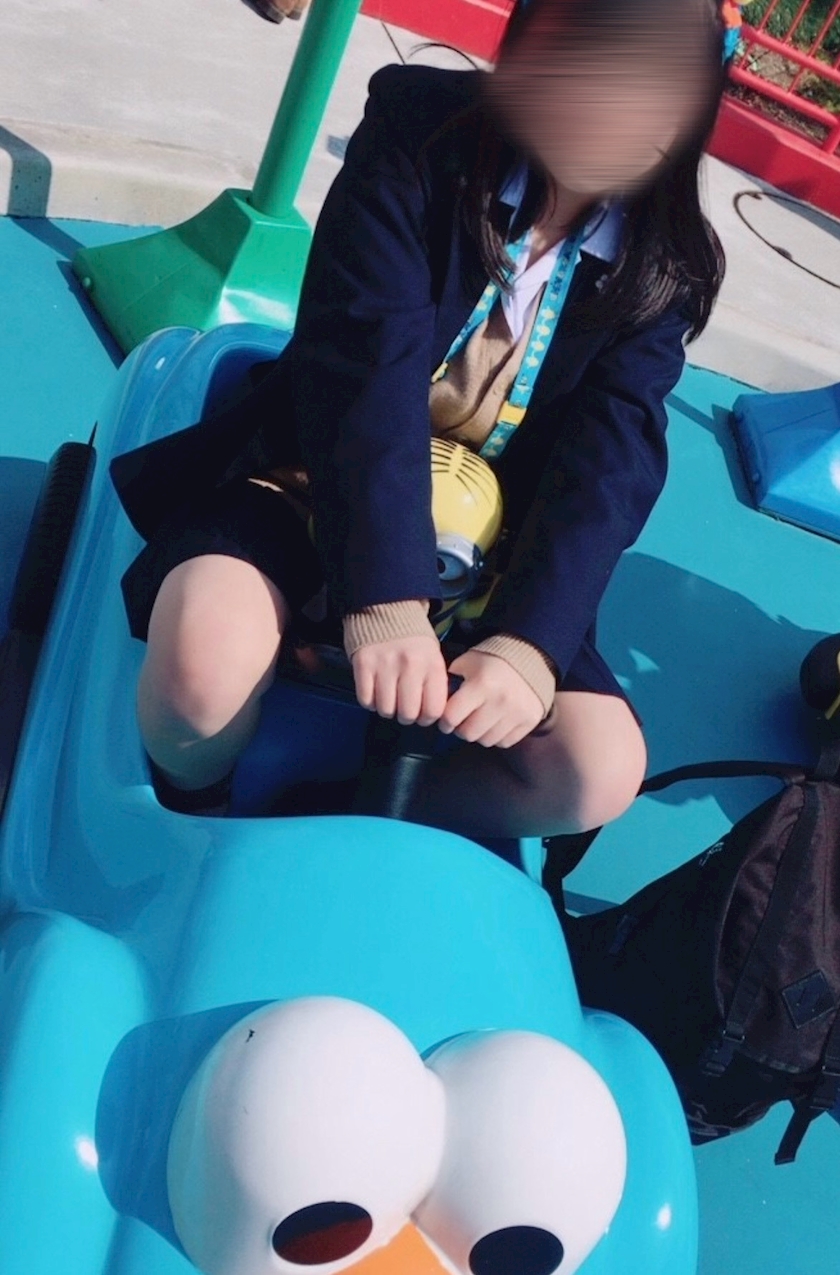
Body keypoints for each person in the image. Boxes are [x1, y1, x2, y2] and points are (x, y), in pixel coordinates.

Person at [111, 0, 730, 837]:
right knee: (200, 670)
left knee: (598, 769)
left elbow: (610, 465)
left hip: (489, 548)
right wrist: (386, 593)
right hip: (316, 475)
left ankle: (339, 821)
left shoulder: (670, 261)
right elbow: (363, 362)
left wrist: (529, 644)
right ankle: (199, 816)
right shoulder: (419, 133)